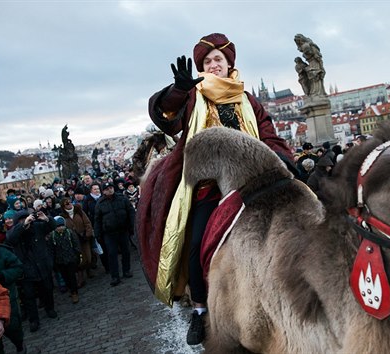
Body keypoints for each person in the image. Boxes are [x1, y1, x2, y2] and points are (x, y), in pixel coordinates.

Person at [139, 32, 294, 345]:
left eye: (218, 60)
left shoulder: (248, 100)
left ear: (229, 64)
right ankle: (199, 310)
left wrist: (282, 156)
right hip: (210, 186)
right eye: (208, 61)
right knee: (197, 243)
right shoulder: (195, 96)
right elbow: (166, 116)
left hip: (252, 181)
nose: (213, 65)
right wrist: (178, 90)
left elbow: (268, 133)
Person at [6, 210, 57, 333]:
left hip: (42, 264)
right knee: (29, 296)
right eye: (21, 220)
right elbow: (11, 238)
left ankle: (50, 308)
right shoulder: (14, 232)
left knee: (47, 289)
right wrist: (23, 226)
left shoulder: (37, 227)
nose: (26, 221)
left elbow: (52, 226)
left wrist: (46, 218)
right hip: (26, 268)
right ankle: (33, 320)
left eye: (27, 218)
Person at [94, 182, 135, 287]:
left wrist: (132, 225)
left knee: (125, 251)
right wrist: (98, 234)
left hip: (123, 229)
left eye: (111, 187)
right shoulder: (100, 203)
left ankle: (126, 270)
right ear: (103, 191)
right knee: (112, 254)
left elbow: (130, 211)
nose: (110, 190)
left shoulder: (122, 198)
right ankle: (115, 276)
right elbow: (97, 220)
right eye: (107, 189)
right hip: (109, 233)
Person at [59, 197, 94, 286]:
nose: (69, 204)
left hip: (84, 237)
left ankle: (88, 269)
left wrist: (88, 234)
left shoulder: (79, 211)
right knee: (78, 259)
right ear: (63, 206)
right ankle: (80, 277)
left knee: (88, 257)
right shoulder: (63, 216)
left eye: (70, 202)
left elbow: (87, 223)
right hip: (73, 241)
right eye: (67, 203)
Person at [48, 217, 81, 304]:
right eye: (58, 226)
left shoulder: (69, 233)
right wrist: (53, 262)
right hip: (60, 261)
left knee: (72, 276)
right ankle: (71, 289)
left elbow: (76, 244)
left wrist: (77, 255)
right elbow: (51, 250)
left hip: (70, 259)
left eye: (62, 226)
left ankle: (74, 292)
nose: (60, 228)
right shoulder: (53, 236)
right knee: (65, 277)